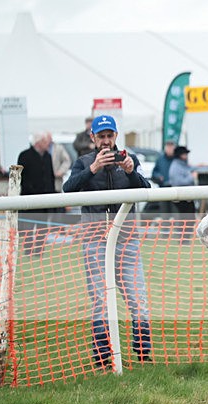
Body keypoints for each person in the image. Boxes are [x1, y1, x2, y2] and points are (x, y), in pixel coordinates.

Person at [62, 115, 153, 369]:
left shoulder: (129, 160)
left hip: (127, 241)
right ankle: (102, 359)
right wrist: (93, 169)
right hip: (95, 241)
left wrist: (130, 171)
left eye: (109, 136)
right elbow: (68, 190)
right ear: (92, 138)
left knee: (138, 300)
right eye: (100, 136)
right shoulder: (82, 162)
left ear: (115, 136)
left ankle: (144, 356)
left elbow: (145, 189)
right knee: (101, 301)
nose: (105, 141)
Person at [17, 132, 57, 255]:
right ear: (38, 142)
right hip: (29, 199)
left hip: (45, 199)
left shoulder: (47, 156)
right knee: (29, 227)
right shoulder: (24, 156)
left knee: (43, 228)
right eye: (45, 141)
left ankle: (39, 251)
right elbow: (20, 177)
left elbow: (51, 176)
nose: (48, 144)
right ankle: (28, 251)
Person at [168, 145, 198, 241]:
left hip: (187, 197)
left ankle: (186, 238)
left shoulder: (182, 165)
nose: (186, 156)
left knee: (190, 218)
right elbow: (178, 182)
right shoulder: (175, 166)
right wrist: (191, 177)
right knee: (184, 219)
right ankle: (183, 238)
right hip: (181, 198)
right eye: (184, 154)